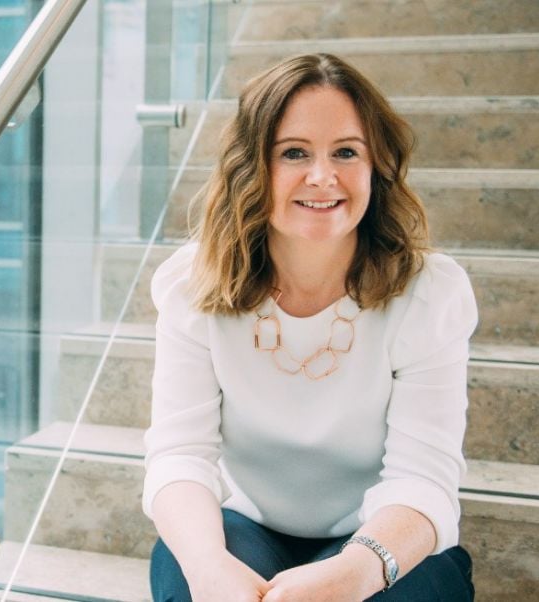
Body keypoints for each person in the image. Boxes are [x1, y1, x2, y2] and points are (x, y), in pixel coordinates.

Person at [143, 53, 478, 601]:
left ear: (377, 168)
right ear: (253, 167)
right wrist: (207, 566)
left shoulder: (430, 293)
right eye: (294, 153)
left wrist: (355, 572)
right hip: (242, 527)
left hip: (381, 539)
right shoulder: (190, 283)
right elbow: (179, 454)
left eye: (347, 152)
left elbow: (424, 479)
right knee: (191, 572)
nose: (323, 177)